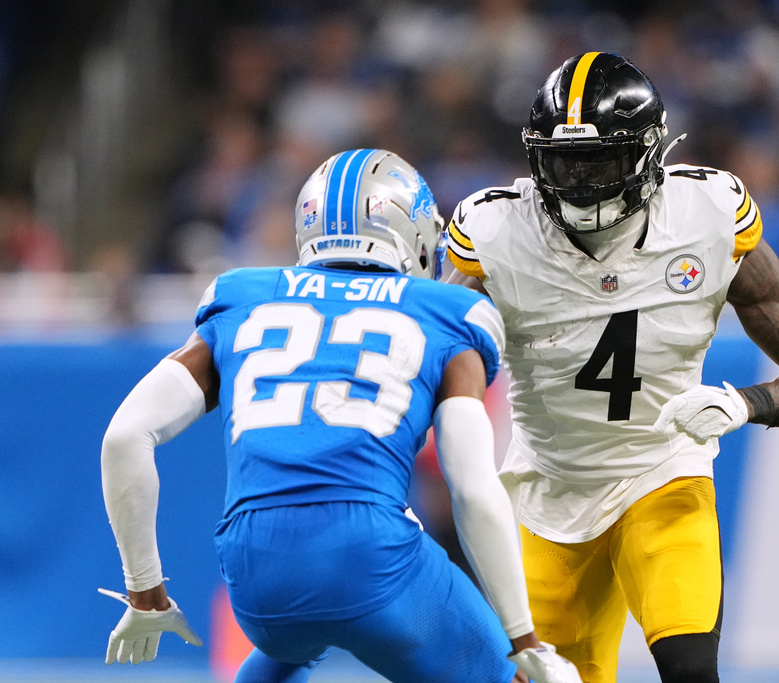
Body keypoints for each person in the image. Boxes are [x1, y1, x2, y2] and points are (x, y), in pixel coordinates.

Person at [445, 53, 779, 683]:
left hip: (661, 472)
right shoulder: (496, 231)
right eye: (563, 162)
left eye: (598, 160)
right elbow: (430, 358)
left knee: (690, 669)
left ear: (647, 155)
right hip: (548, 493)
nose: (579, 182)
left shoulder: (706, 215)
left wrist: (746, 403)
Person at [99, 148, 583, 683]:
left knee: (298, 634)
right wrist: (524, 637)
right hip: (371, 553)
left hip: (253, 568)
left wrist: (145, 591)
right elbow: (471, 488)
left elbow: (124, 436)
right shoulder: (448, 313)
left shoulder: (242, 296)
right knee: (513, 674)